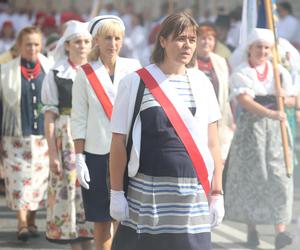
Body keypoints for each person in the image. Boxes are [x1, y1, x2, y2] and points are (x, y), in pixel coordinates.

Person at [109, 12, 224, 250]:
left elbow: (213, 144)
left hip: (193, 194)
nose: (188, 45)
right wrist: (116, 192)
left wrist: (217, 193)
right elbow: (118, 141)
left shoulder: (202, 83)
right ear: (163, 41)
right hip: (147, 195)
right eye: (180, 38)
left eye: (192, 40)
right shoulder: (134, 82)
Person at [71, 15, 141, 250]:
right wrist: (79, 158)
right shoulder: (85, 73)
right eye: (108, 38)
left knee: (125, 218)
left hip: (128, 153)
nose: (113, 43)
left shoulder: (134, 68)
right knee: (101, 220)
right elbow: (79, 118)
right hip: (96, 155)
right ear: (97, 40)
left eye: (117, 38)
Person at [224, 28, 295, 249]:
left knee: (280, 178)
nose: (262, 51)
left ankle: (280, 231)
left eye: (266, 48)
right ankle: (252, 229)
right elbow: (244, 100)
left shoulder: (280, 72)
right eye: (258, 47)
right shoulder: (242, 72)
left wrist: (285, 99)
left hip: (277, 131)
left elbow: (295, 99)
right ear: (250, 49)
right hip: (251, 131)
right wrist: (270, 112)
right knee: (253, 178)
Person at [41, 21, 94, 249]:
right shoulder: (56, 72)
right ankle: (75, 242)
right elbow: (49, 117)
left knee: (92, 189)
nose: (82, 46)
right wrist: (52, 152)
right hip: (67, 137)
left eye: (86, 42)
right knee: (70, 189)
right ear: (67, 45)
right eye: (77, 42)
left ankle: (93, 241)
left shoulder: (98, 71)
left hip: (94, 135)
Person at [0, 26, 52, 241]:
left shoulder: (50, 69)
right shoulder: (5, 72)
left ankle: (31, 221)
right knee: (20, 182)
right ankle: (22, 223)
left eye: (36, 44)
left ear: (41, 46)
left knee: (38, 182)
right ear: (19, 46)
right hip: (14, 137)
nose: (32, 48)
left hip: (43, 136)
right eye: (28, 44)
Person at [196, 22, 234, 162]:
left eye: (210, 38)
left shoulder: (221, 62)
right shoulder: (188, 61)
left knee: (218, 155)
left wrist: (232, 118)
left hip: (218, 114)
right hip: (196, 114)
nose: (206, 42)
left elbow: (228, 91)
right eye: (203, 38)